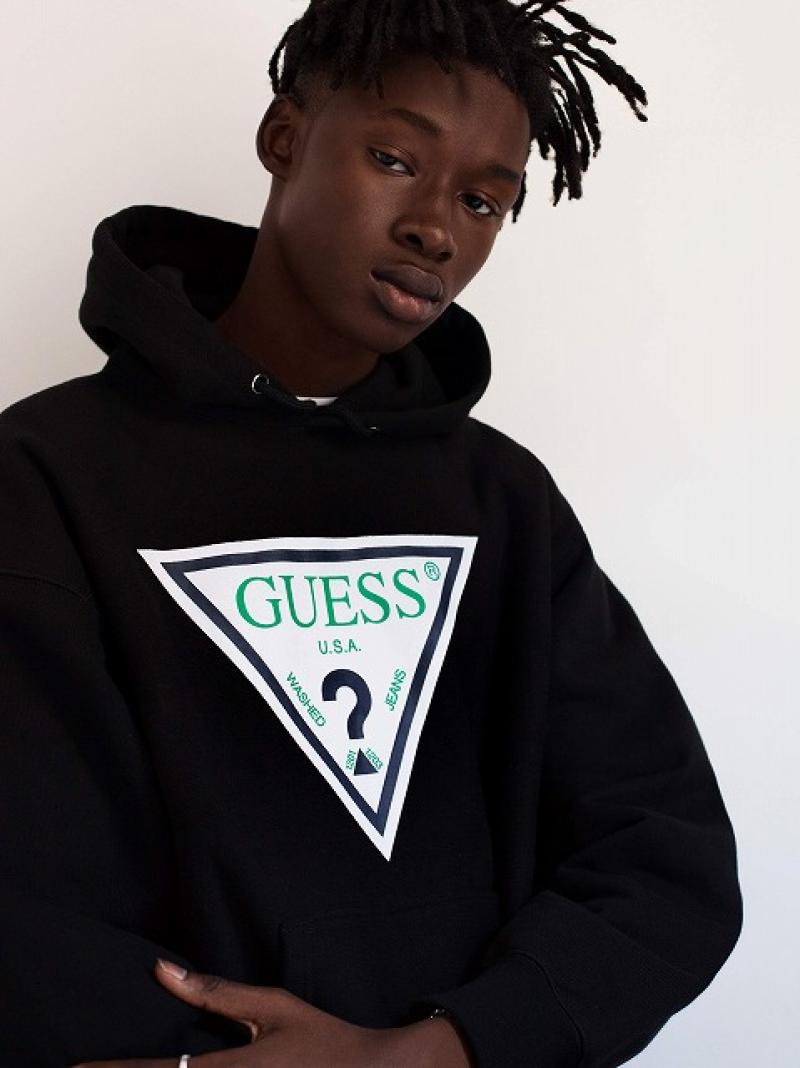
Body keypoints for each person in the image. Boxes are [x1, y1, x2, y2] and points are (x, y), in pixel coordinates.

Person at [0, 2, 743, 1066]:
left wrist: (434, 1052)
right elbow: (29, 893)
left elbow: (663, 849)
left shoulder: (503, 503)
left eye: (483, 200)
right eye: (395, 159)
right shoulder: (46, 474)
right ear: (284, 136)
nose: (436, 229)